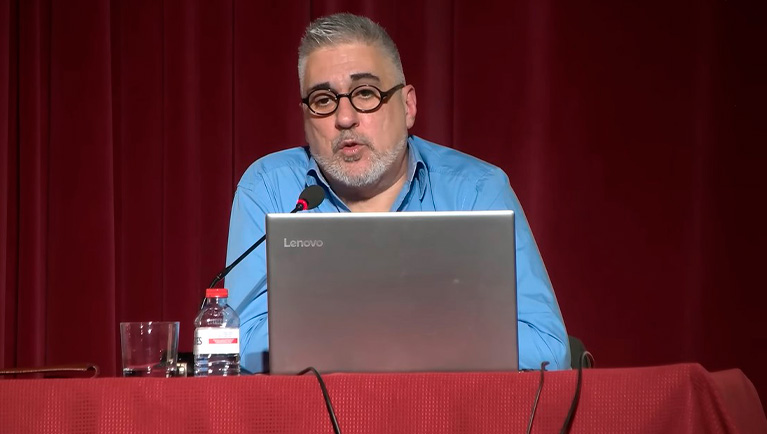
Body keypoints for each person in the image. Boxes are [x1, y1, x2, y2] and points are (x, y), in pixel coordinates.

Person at [225, 13, 570, 373]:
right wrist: (428, 336)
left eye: (365, 93)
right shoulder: (269, 188)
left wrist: (360, 337)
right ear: (305, 116)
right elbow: (242, 344)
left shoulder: (477, 190)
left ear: (408, 106)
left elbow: (547, 349)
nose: (345, 118)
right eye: (324, 100)